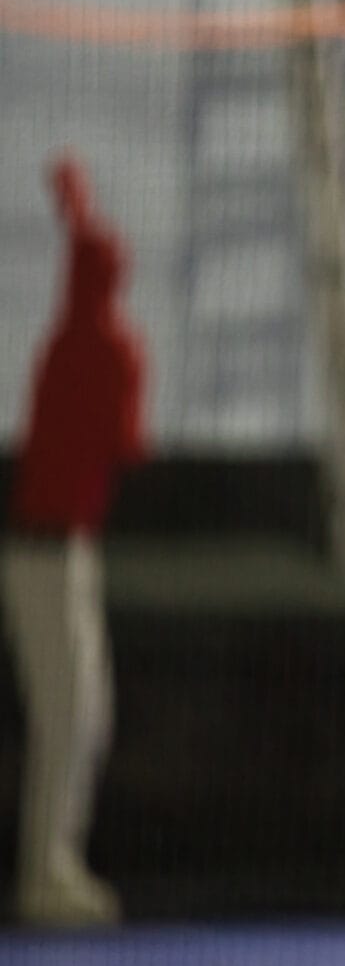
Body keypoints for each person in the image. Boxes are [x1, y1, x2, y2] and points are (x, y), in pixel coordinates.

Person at [3, 158, 147, 927]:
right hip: (43, 555)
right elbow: (129, 444)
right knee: (67, 716)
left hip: (66, 551)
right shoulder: (100, 349)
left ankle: (58, 863)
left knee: (86, 713)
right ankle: (44, 873)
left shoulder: (73, 339)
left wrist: (74, 202)